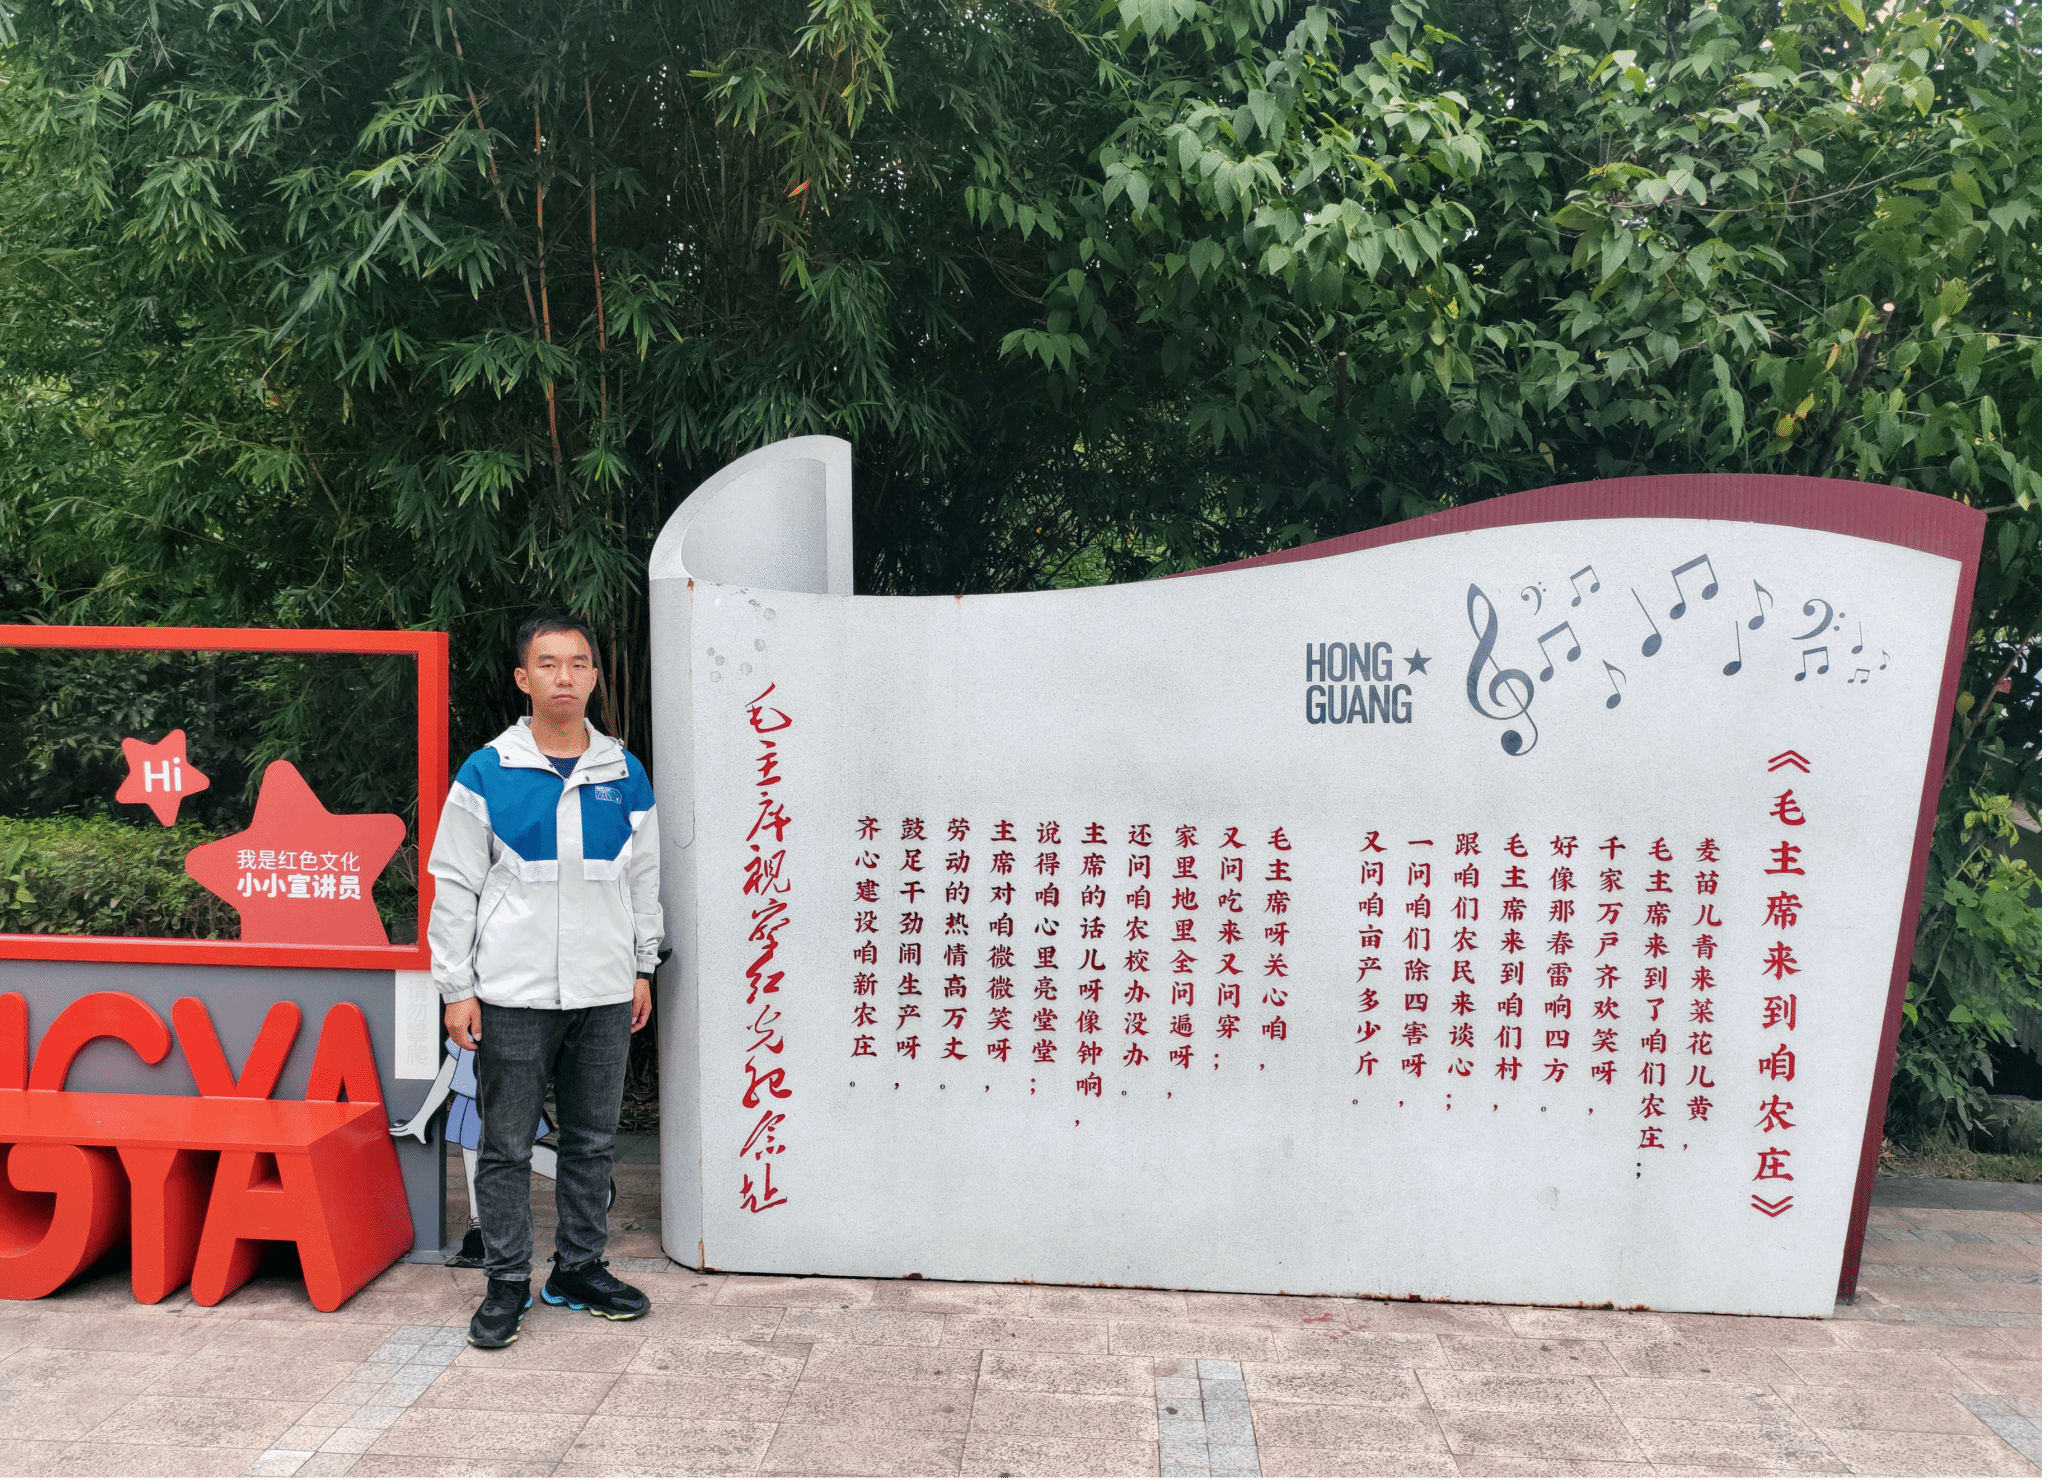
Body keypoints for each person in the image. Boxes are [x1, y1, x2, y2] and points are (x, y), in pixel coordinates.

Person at [428, 614, 662, 1347]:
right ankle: (505, 1280)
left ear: (594, 676)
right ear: (523, 678)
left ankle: (579, 1268)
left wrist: (642, 965)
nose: (566, 676)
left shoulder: (623, 772)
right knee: (505, 1144)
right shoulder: (486, 771)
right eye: (549, 663)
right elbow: (453, 884)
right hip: (512, 991)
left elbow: (644, 878)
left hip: (603, 989)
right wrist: (456, 987)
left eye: (579, 663)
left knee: (592, 1140)